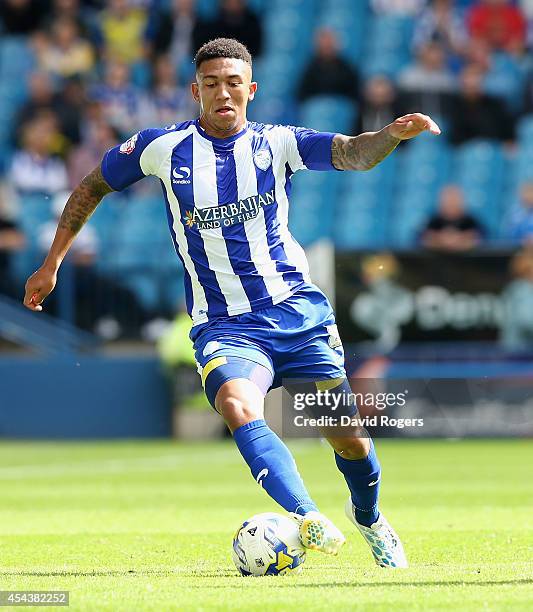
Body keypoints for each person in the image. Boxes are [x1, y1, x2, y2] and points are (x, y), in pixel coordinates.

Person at [24, 37, 441, 568]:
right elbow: (91, 186)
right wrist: (54, 260)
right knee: (237, 405)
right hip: (224, 324)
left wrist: (391, 135)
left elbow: (353, 153)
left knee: (349, 438)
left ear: (251, 89)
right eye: (212, 83)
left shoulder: (278, 143)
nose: (223, 92)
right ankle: (308, 516)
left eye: (233, 82)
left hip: (297, 313)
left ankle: (370, 518)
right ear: (195, 89)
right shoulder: (162, 148)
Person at [421, 184, 484, 251]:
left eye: (454, 198)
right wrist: (442, 240)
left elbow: (481, 239)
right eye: (448, 199)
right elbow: (423, 239)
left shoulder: (470, 221)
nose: (451, 202)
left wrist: (459, 240)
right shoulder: (433, 221)